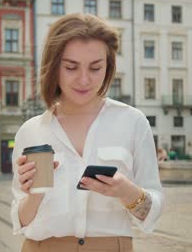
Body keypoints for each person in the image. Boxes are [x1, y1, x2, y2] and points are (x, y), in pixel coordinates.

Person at [11, 13, 164, 252]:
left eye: (95, 68)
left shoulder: (133, 122)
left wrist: (128, 192)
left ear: (109, 66)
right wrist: (35, 194)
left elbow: (153, 210)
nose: (84, 79)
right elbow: (20, 220)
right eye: (71, 67)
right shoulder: (30, 131)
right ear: (54, 67)